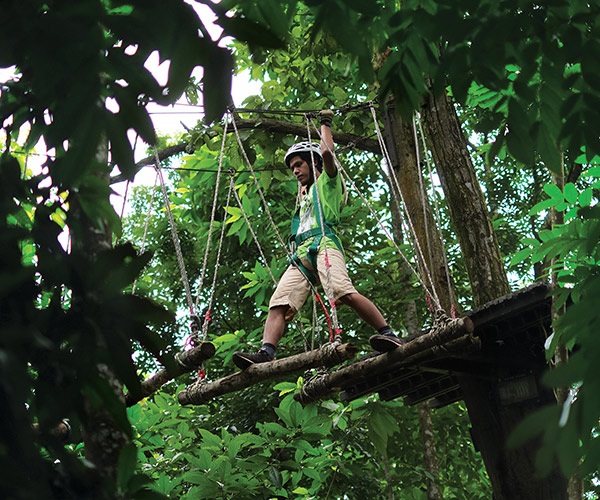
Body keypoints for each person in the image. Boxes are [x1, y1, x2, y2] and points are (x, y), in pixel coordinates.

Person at [233, 110, 403, 369]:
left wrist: (324, 124)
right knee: (278, 303)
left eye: (299, 165)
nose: (295, 171)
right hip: (301, 255)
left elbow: (326, 154)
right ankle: (266, 352)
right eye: (292, 168)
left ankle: (388, 332)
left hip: (325, 245)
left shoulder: (329, 183)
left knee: (343, 293)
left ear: (314, 165)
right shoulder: (304, 196)